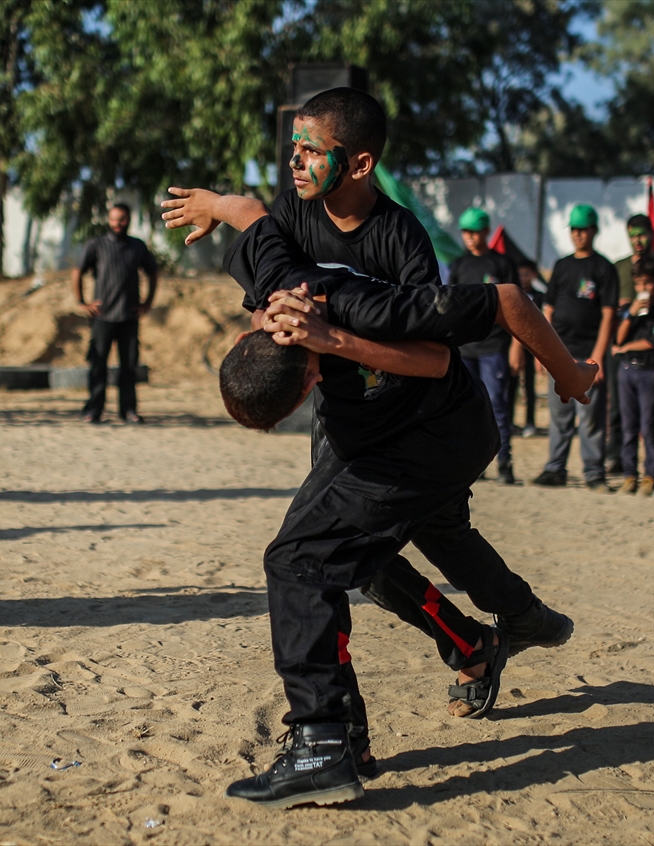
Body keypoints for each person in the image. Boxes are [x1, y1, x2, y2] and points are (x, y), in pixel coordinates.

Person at [162, 89, 575, 730]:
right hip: (349, 416)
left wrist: (334, 340)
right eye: (291, 149)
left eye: (310, 151)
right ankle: (479, 640)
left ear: (357, 165)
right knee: (360, 558)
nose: (294, 163)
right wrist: (214, 205)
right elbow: (256, 225)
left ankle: (512, 620)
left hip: (421, 419)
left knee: (433, 536)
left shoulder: (399, 244)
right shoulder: (294, 220)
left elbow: (438, 358)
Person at [216, 215, 598, 809]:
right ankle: (356, 731)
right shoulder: (278, 278)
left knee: (321, 557)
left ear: (311, 375)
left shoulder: (368, 299)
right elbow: (249, 214)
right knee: (336, 557)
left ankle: (333, 739)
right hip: (369, 436)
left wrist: (570, 374)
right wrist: (210, 202)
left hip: (438, 434)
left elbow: (484, 320)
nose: (299, 164)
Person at [535, 204, 617, 491]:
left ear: (594, 231)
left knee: (591, 418)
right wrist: (541, 350)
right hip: (560, 353)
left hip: (588, 354)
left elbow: (608, 315)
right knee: (559, 415)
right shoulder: (562, 266)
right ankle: (555, 469)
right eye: (574, 229)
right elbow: (548, 309)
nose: (578, 234)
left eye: (583, 229)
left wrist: (600, 356)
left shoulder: (604, 268)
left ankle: (594, 472)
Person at [72, 202, 158, 424]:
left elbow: (153, 272)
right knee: (98, 365)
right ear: (108, 220)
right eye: (114, 219)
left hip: (129, 317)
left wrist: (147, 302)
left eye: (122, 219)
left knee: (128, 368)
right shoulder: (96, 245)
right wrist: (82, 302)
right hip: (102, 317)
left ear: (128, 220)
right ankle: (93, 410)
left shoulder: (137, 246)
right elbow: (77, 271)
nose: (117, 223)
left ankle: (128, 411)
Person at [451, 206, 520, 484]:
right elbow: (451, 310)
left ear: (486, 233)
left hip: (494, 348)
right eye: (466, 232)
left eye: (475, 232)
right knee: (467, 409)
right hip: (465, 350)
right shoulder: (459, 266)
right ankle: (474, 465)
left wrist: (517, 347)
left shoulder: (502, 265)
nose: (470, 237)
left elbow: (518, 310)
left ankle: (505, 463)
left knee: (497, 406)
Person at [610, 214, 654, 473]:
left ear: (651, 234)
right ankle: (617, 458)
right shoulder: (618, 268)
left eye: (642, 234)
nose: (638, 240)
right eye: (633, 234)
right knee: (619, 407)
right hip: (623, 344)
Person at [612, 256, 654, 497]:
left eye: (647, 283)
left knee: (649, 426)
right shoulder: (631, 309)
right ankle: (629, 475)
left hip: (650, 371)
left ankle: (651, 475)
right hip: (627, 371)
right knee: (628, 427)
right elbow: (618, 338)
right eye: (638, 284)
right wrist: (631, 315)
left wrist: (625, 348)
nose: (643, 289)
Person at [511, 260, 547, 437]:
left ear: (533, 275)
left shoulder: (539, 297)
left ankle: (530, 422)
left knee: (530, 387)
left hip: (532, 348)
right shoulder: (513, 296)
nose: (523, 278)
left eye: (526, 274)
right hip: (513, 347)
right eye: (520, 274)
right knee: (512, 385)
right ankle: (510, 421)